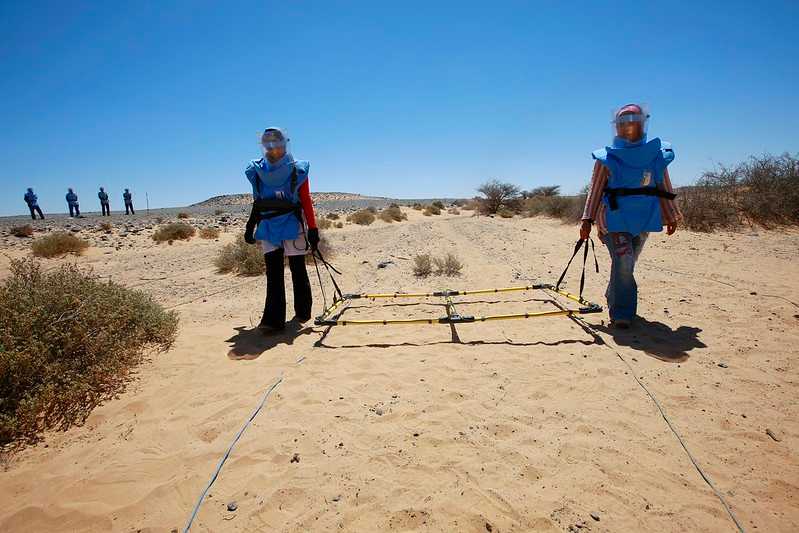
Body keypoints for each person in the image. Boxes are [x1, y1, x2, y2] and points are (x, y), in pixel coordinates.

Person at [580, 103, 681, 328]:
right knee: (624, 261)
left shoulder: (656, 155)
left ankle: (614, 294)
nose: (629, 127)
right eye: (624, 123)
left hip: (645, 216)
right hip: (614, 218)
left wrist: (671, 215)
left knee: (627, 263)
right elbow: (595, 188)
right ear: (617, 127)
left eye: (634, 121)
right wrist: (587, 220)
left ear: (642, 124)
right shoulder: (607, 157)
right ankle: (622, 313)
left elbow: (662, 185)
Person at [244, 127, 320, 333]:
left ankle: (297, 313)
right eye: (268, 142)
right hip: (273, 224)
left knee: (292, 269)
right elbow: (258, 201)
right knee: (278, 272)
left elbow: (305, 200)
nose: (273, 147)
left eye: (275, 142)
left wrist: (312, 228)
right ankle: (276, 319)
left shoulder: (297, 169)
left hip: (285, 224)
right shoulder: (258, 170)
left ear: (284, 143)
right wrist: (251, 225)